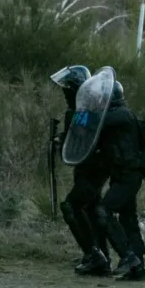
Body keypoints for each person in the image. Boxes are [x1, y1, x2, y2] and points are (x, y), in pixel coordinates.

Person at [51, 65, 111, 276]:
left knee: (72, 206)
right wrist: (61, 141)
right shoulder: (76, 111)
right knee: (92, 210)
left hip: (95, 169)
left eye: (68, 87)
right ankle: (101, 256)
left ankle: (94, 254)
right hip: (84, 169)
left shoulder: (95, 110)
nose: (64, 92)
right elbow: (73, 144)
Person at [93, 81, 145, 281]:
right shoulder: (118, 115)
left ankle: (127, 256)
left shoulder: (121, 115)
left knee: (103, 210)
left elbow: (98, 121)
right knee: (128, 219)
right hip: (123, 175)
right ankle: (138, 268)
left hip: (128, 176)